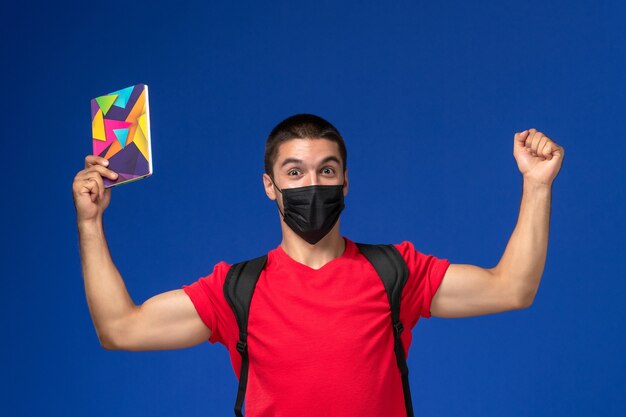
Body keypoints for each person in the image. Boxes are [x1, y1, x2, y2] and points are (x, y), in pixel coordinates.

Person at [72, 114, 565, 417]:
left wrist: (537, 185)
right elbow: (120, 329)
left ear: (345, 182)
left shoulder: (397, 273)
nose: (313, 183)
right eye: (295, 172)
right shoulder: (235, 290)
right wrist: (91, 223)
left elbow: (512, 288)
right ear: (270, 185)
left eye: (326, 170)